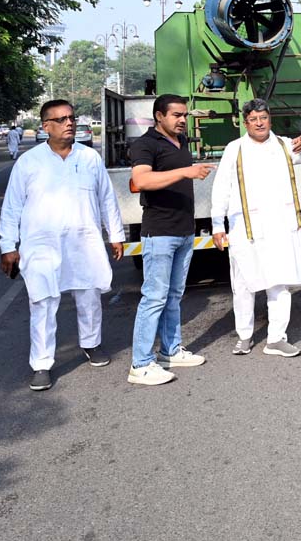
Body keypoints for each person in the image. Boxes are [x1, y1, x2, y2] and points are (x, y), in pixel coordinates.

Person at [0, 99, 125, 391]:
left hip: (84, 241)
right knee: (42, 302)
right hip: (42, 245)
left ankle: (91, 344)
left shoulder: (89, 158)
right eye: (62, 119)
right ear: (46, 127)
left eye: (72, 118)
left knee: (89, 294)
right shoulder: (29, 163)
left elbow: (107, 198)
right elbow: (12, 207)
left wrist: (115, 234)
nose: (70, 123)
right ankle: (41, 364)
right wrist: (8, 246)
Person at [210, 99, 301, 357]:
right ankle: (244, 336)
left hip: (280, 227)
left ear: (270, 120)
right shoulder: (235, 149)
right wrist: (216, 224)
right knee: (244, 283)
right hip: (246, 228)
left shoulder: (283, 144)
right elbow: (221, 188)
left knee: (280, 282)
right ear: (246, 123)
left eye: (263, 118)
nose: (259, 123)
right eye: (254, 119)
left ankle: (276, 338)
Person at [127, 94, 213, 386]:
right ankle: (140, 364)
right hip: (159, 232)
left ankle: (170, 351)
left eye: (185, 115)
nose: (182, 120)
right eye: (176, 115)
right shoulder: (145, 145)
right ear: (158, 116)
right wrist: (186, 172)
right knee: (154, 298)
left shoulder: (182, 141)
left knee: (174, 295)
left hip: (183, 230)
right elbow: (141, 181)